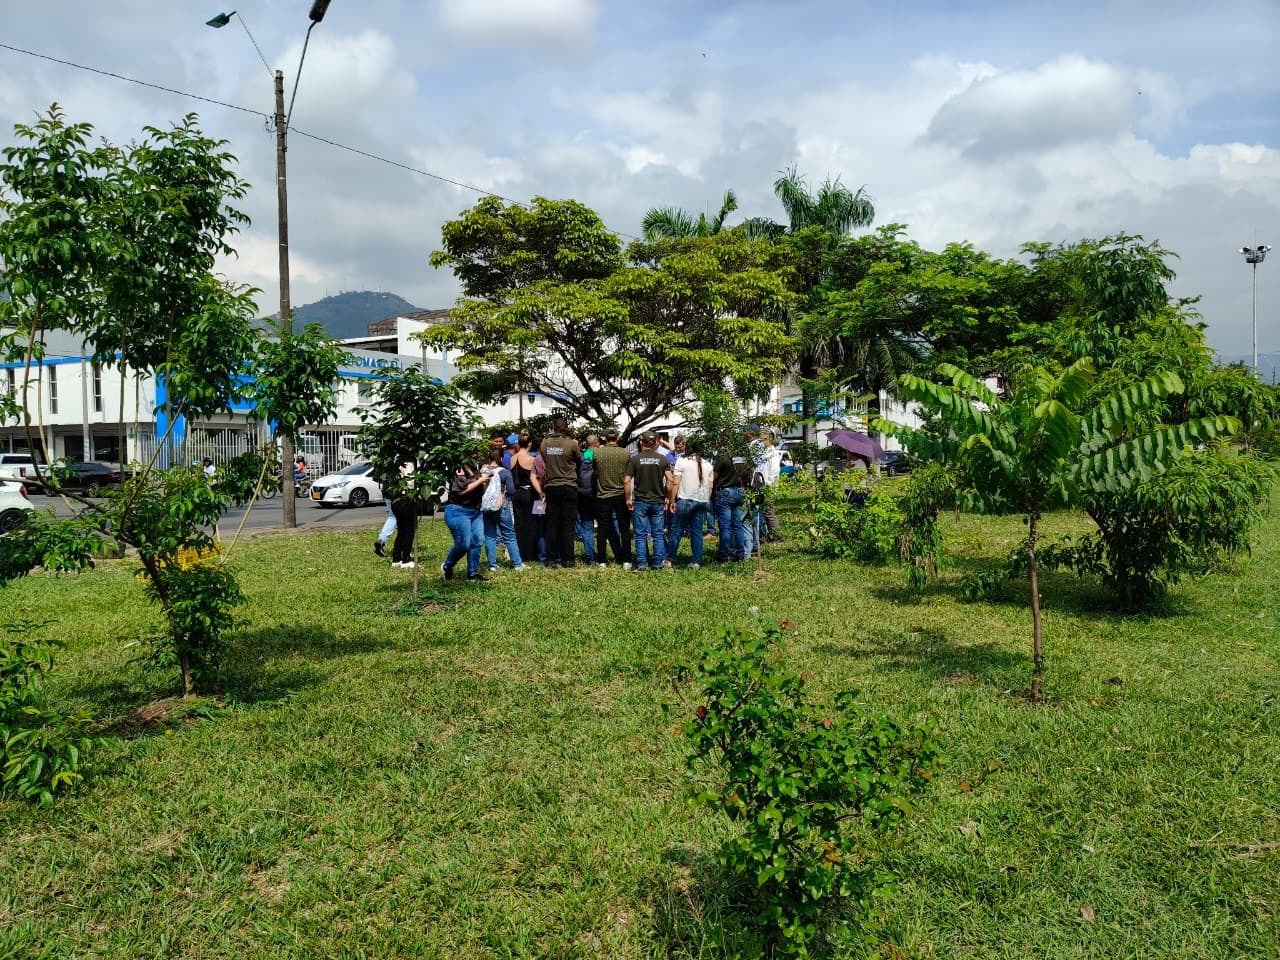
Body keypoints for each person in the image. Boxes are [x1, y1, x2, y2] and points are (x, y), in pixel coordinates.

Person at [625, 431, 673, 571]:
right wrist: (668, 497)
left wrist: (628, 498)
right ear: (655, 443)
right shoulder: (662, 459)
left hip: (640, 501)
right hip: (658, 501)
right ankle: (658, 563)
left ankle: (641, 564)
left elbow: (627, 481)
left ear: (641, 442)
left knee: (640, 534)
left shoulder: (635, 459)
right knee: (658, 534)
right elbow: (670, 480)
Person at [539, 418, 582, 568]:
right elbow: (579, 460)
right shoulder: (572, 444)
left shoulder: (545, 444)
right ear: (565, 429)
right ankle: (568, 560)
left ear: (554, 428)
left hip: (551, 486)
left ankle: (551, 560)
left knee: (552, 524)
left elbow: (545, 459)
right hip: (569, 485)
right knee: (568, 524)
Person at [667, 439, 713, 568]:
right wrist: (705, 500)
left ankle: (670, 559)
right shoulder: (708, 465)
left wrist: (672, 500)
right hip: (702, 501)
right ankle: (696, 561)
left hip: (685, 499)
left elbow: (675, 482)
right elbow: (710, 487)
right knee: (697, 532)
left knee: (676, 530)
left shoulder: (682, 462)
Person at [481, 449, 525, 572]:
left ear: (489, 459)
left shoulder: (484, 472)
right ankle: (517, 564)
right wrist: (504, 493)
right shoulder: (504, 472)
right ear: (501, 458)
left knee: (490, 536)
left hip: (486, 508)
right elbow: (511, 491)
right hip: (501, 506)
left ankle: (492, 565)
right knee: (509, 536)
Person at [442, 461, 488, 581]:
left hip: (476, 511)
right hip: (458, 511)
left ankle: (472, 573)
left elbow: (479, 489)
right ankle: (447, 566)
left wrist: (486, 480)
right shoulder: (458, 469)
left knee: (477, 542)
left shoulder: (474, 468)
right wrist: (480, 481)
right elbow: (460, 491)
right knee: (463, 544)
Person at [593, 430, 630, 569]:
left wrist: (592, 445)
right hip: (621, 494)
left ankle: (602, 560)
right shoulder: (626, 453)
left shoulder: (596, 452)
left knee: (602, 529)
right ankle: (626, 560)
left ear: (604, 438)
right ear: (618, 438)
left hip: (603, 495)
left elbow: (585, 456)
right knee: (624, 528)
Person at [713, 444, 752, 562]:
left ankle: (724, 555)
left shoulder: (723, 457)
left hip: (726, 492)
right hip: (741, 491)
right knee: (738, 525)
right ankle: (740, 553)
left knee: (725, 527)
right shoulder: (744, 458)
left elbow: (714, 476)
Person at [509, 434, 543, 567]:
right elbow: (536, 477)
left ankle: (520, 552)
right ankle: (531, 553)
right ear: (529, 444)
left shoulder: (512, 458)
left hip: (516, 494)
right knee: (533, 522)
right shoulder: (531, 459)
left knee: (519, 523)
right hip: (530, 494)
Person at [575, 434, 599, 566]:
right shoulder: (596, 454)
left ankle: (590, 557)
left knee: (587, 526)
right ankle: (607, 555)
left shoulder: (582, 456)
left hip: (582, 494)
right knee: (607, 526)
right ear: (597, 443)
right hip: (597, 493)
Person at [390, 461, 418, 568]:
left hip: (395, 501)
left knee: (402, 530)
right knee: (409, 530)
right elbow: (410, 483)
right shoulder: (409, 464)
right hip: (405, 500)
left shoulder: (394, 463)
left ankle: (396, 558)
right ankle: (406, 558)